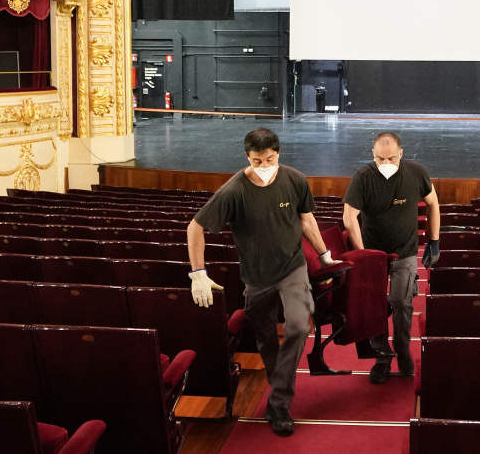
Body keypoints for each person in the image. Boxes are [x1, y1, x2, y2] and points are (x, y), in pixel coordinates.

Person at [187, 127, 336, 438]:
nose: (264, 166)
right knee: (266, 339)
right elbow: (195, 227)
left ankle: (279, 402)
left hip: (293, 268)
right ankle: (280, 395)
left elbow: (306, 220)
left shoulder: (295, 180)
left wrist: (324, 255)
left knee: (299, 326)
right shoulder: (234, 190)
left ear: (278, 154)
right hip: (256, 277)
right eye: (257, 161)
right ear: (247, 157)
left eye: (269, 160)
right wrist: (198, 272)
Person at [341, 130, 441, 384]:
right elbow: (349, 217)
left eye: (392, 158)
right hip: (374, 254)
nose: (386, 163)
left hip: (405, 252)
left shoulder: (416, 173)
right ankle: (382, 358)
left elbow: (433, 203)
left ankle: (402, 349)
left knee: (401, 302)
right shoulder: (363, 177)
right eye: (380, 159)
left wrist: (434, 241)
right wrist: (363, 254)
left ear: (401, 154)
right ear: (372, 154)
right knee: (374, 307)